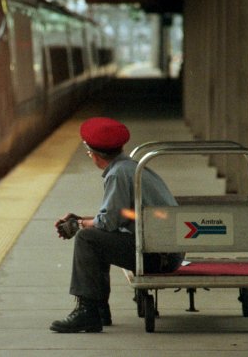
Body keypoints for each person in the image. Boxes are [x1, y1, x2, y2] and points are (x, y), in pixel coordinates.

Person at [50, 117, 185, 333]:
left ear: (94, 154)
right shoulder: (129, 168)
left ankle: (88, 312)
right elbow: (117, 217)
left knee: (88, 239)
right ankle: (98, 310)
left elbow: (108, 223)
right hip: (166, 250)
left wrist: (79, 225)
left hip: (158, 255)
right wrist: (82, 220)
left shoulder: (118, 174)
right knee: (95, 237)